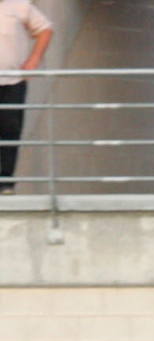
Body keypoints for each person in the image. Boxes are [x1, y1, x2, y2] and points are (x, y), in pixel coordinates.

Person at [0, 0, 52, 196]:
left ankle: (5, 182)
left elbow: (45, 29)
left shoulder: (19, 5)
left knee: (10, 131)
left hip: (13, 82)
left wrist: (34, 59)